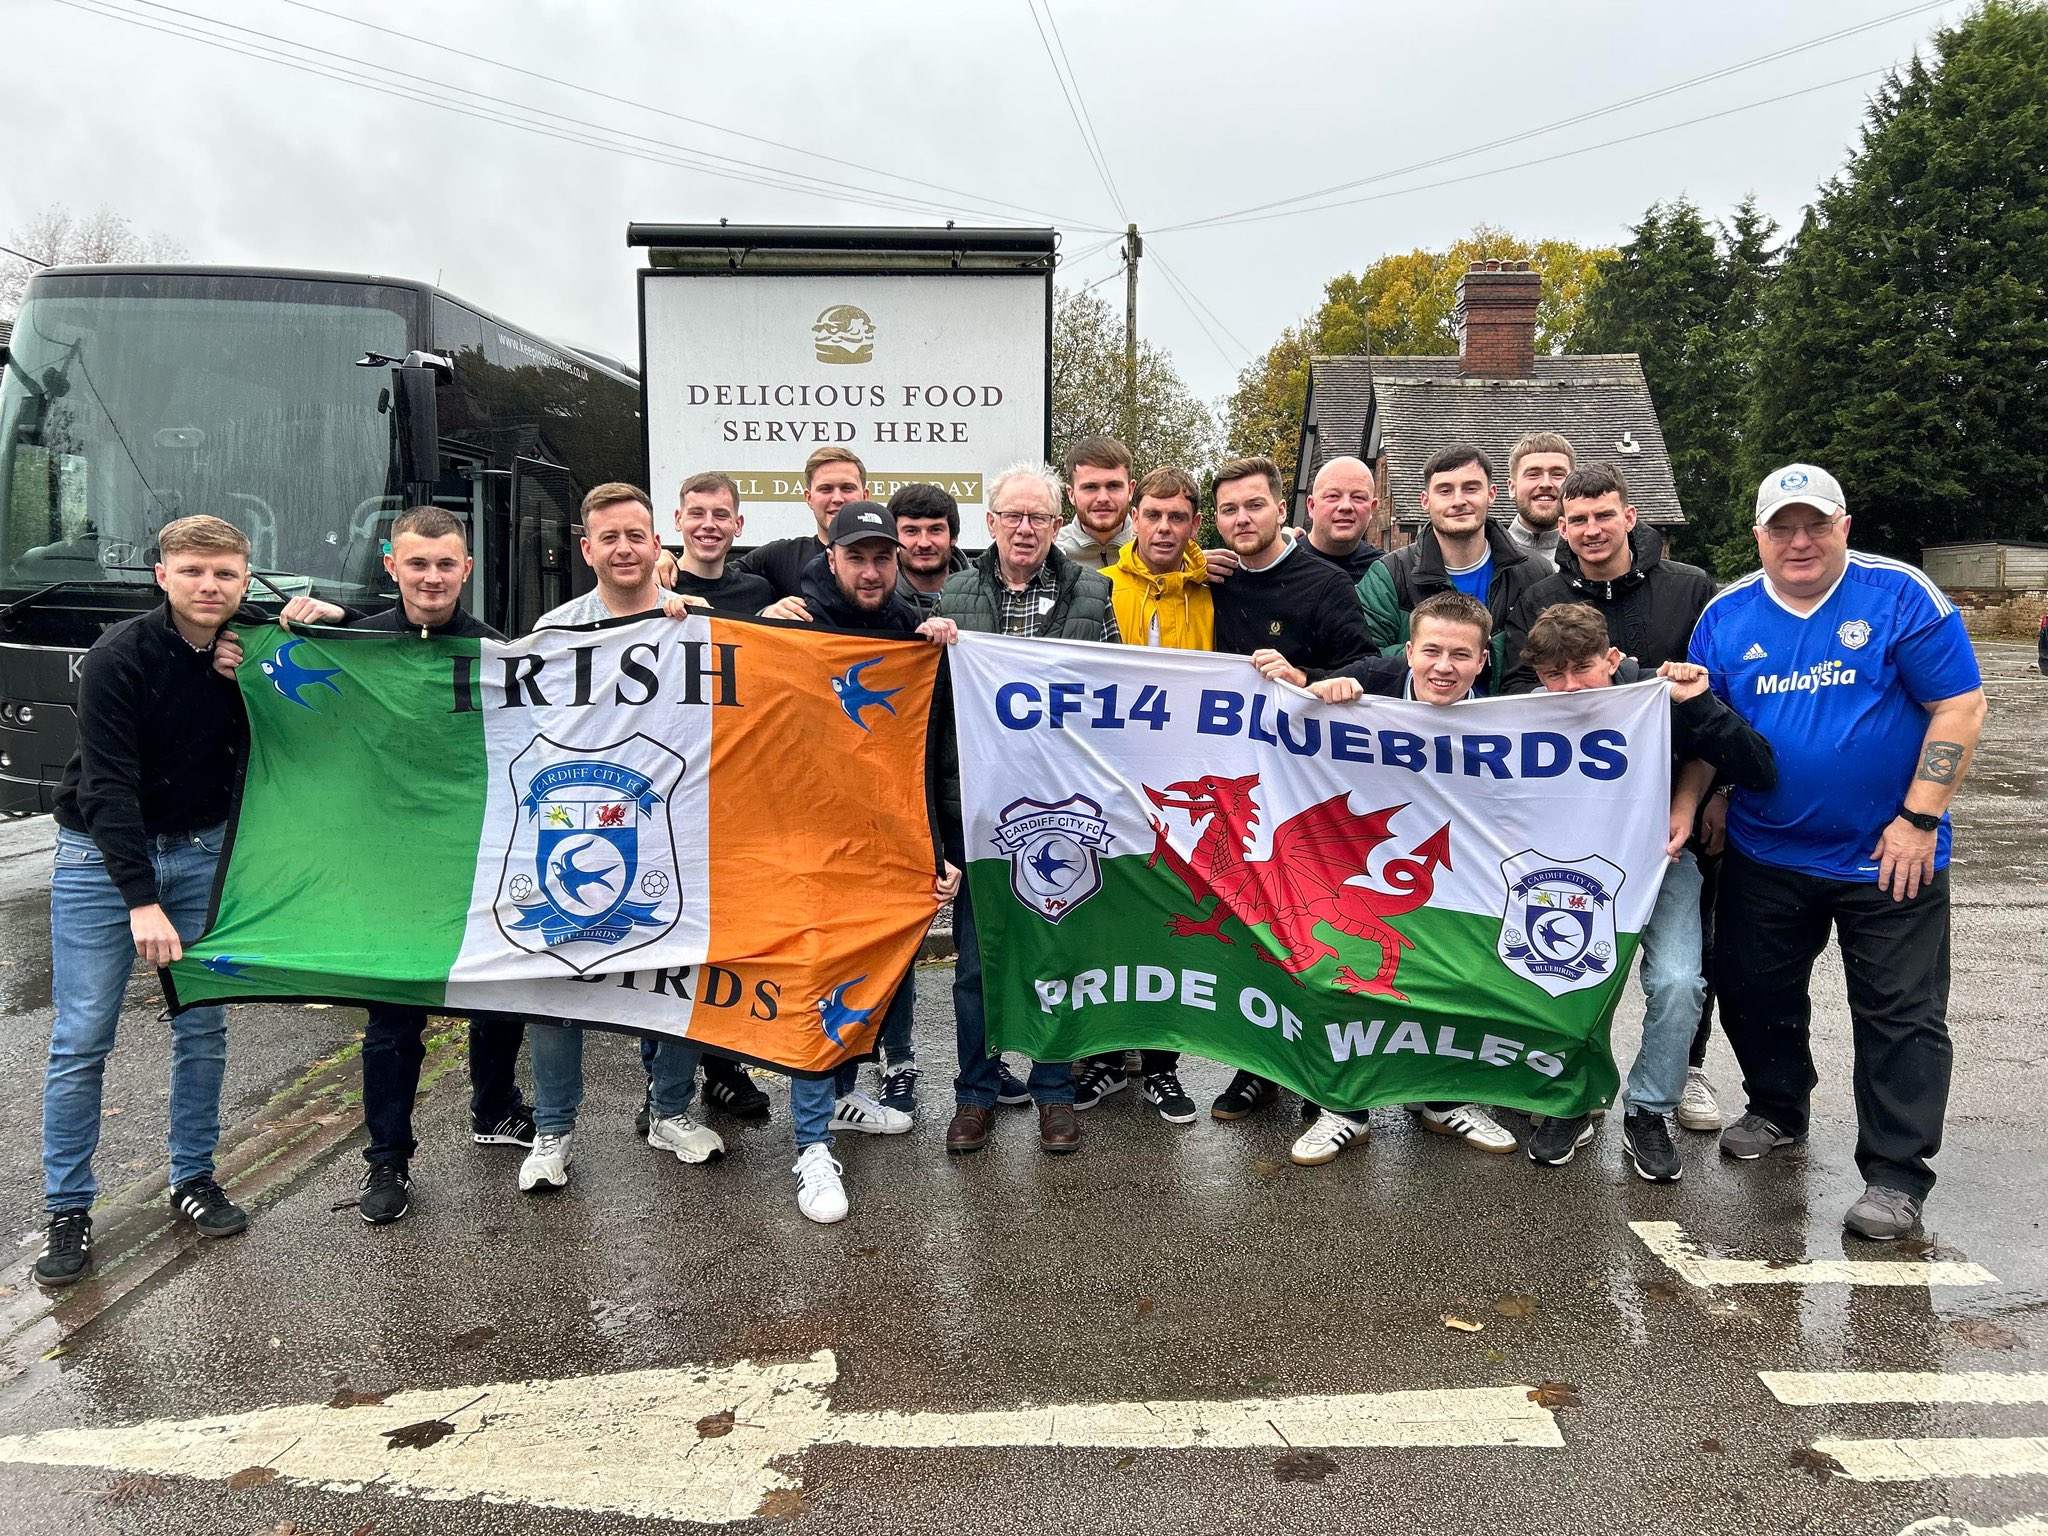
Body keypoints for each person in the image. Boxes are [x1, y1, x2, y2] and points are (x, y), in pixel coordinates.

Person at [1688, 463, 1986, 1241]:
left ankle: (1894, 1177)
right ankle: (1778, 1108)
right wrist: (1711, 799)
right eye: (1781, 527)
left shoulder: (1900, 596)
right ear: (1758, 536)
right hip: (1766, 849)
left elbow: (1960, 703)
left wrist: (1919, 818)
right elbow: (1712, 726)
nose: (1799, 541)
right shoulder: (1726, 615)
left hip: (1889, 853)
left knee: (1900, 1016)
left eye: (1814, 524)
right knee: (1752, 990)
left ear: (1843, 526)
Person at [244, 508, 539, 1226]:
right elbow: (241, 632)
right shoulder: (354, 643)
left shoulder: (501, 652)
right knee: (392, 1021)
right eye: (417, 564)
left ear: (466, 569)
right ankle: (387, 1160)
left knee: (499, 993)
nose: (432, 577)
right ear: (392, 565)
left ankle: (494, 1107)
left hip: (475, 854)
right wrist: (289, 625)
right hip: (390, 863)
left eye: (445, 564)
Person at [36, 515, 255, 1286]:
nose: (209, 586)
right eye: (193, 571)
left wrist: (309, 621)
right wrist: (139, 901)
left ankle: (193, 1176)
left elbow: (361, 633)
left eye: (225, 574)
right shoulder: (117, 657)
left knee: (202, 1024)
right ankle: (67, 1209)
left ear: (246, 579)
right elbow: (108, 787)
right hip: (102, 855)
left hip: (198, 850)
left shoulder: (247, 647)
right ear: (161, 575)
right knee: (83, 1035)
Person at [1501, 461, 1728, 1131]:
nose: (1593, 529)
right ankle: (1567, 1085)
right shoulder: (1537, 594)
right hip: (1568, 831)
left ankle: (1676, 1078)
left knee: (1682, 973)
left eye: (1605, 515)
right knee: (1563, 964)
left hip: (1663, 822)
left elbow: (1715, 708)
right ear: (1561, 528)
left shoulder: (1689, 588)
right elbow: (1512, 697)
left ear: (1631, 516)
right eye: (1578, 520)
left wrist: (1709, 794)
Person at [1516, 603, 1777, 1181]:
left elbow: (1755, 765)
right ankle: (1575, 1097)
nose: (1570, 686)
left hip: (1659, 863)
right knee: (1564, 976)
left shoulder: (1657, 692)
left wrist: (1698, 719)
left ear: (1614, 659)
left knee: (1681, 982)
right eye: (1552, 674)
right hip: (1565, 870)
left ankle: (1649, 1108)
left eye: (1582, 668)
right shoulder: (1526, 712)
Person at [756, 499, 965, 1218]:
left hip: (880, 841)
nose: (872, 570)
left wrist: (936, 851)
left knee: (867, 973)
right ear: (832, 558)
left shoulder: (909, 628)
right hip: (805, 843)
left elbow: (922, 755)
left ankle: (843, 1098)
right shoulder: (792, 621)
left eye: (884, 557)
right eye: (858, 557)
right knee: (819, 978)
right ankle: (811, 1148)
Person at [516, 483, 725, 1195]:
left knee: (676, 964)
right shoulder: (554, 630)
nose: (624, 549)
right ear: (587, 548)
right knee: (557, 980)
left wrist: (694, 621)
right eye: (609, 538)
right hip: (580, 819)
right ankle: (553, 1130)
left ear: (656, 543)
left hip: (670, 826)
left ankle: (670, 1110)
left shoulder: (694, 622)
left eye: (636, 535)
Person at [925, 462, 1119, 1156]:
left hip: (1064, 808)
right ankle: (976, 1094)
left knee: (1056, 954)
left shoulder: (1095, 596)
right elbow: (931, 713)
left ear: (1056, 525)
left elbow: (1118, 697)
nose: (1027, 527)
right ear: (991, 523)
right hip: (978, 812)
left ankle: (1054, 1093)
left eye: (1040, 517)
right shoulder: (951, 597)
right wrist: (933, 646)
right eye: (1015, 515)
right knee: (977, 962)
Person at [1290, 592, 1519, 1163]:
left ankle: (1443, 1101)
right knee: (1343, 972)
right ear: (1409, 650)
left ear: (1483, 660)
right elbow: (1292, 716)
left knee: (1455, 976)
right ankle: (1342, 1109)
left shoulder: (1511, 719)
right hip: (1361, 864)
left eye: (1461, 655)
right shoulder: (1371, 681)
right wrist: (1320, 691)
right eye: (1432, 651)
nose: (1444, 666)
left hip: (1453, 872)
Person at [1201, 455, 1374, 1122]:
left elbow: (1364, 666)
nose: (1242, 518)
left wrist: (1307, 677)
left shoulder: (1324, 584)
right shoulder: (1210, 582)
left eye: (1253, 505)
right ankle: (1256, 1066)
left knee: (1312, 927)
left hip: (1306, 784)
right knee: (1252, 929)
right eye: (1228, 510)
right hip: (1237, 783)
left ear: (1282, 509)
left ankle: (1317, 1067)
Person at [1072, 465, 1211, 1124]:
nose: (1162, 528)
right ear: (1134, 518)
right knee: (1105, 925)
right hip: (1111, 784)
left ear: (1193, 526)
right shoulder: (1095, 588)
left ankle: (1161, 1067)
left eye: (1176, 517)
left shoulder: (1216, 591)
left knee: (1167, 931)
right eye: (1152, 516)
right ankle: (1100, 1059)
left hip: (1187, 791)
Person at [1357, 446, 1553, 692]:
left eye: (1471, 488)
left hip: (1507, 724)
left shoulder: (1534, 573)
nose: (1459, 501)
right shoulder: (1390, 574)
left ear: (1492, 494)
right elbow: (1364, 657)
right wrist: (1450, 656)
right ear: (1425, 501)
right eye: (1445, 491)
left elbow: (1551, 657)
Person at [733, 447, 868, 599]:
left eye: (847, 488)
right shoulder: (781, 557)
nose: (837, 498)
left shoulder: (888, 558)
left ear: (865, 496)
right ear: (809, 498)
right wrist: (764, 612)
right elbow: (716, 582)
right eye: (825, 489)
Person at [669, 471, 774, 613]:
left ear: (738, 525)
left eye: (720, 515)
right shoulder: (656, 588)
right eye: (697, 514)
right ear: (678, 520)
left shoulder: (759, 592)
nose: (708, 524)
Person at [1054, 435, 1135, 570]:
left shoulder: (1151, 550)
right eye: (1090, 487)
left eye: (1113, 486)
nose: (1103, 498)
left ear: (1130, 490)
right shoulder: (1052, 554)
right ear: (1071, 494)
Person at [1300, 456, 1385, 583]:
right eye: (1333, 496)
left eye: (1358, 497)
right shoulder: (1282, 564)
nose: (1346, 506)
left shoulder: (1384, 573)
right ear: (1312, 506)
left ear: (1372, 509)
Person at [891, 482, 969, 614]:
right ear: (894, 537)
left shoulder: (986, 593)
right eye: (911, 531)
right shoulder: (879, 600)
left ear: (954, 536)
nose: (924, 543)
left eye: (935, 530)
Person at [1503, 431, 1574, 562]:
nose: (1546, 483)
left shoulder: (1591, 559)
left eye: (1557, 474)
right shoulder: (1485, 555)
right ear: (1512, 488)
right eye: (1533, 474)